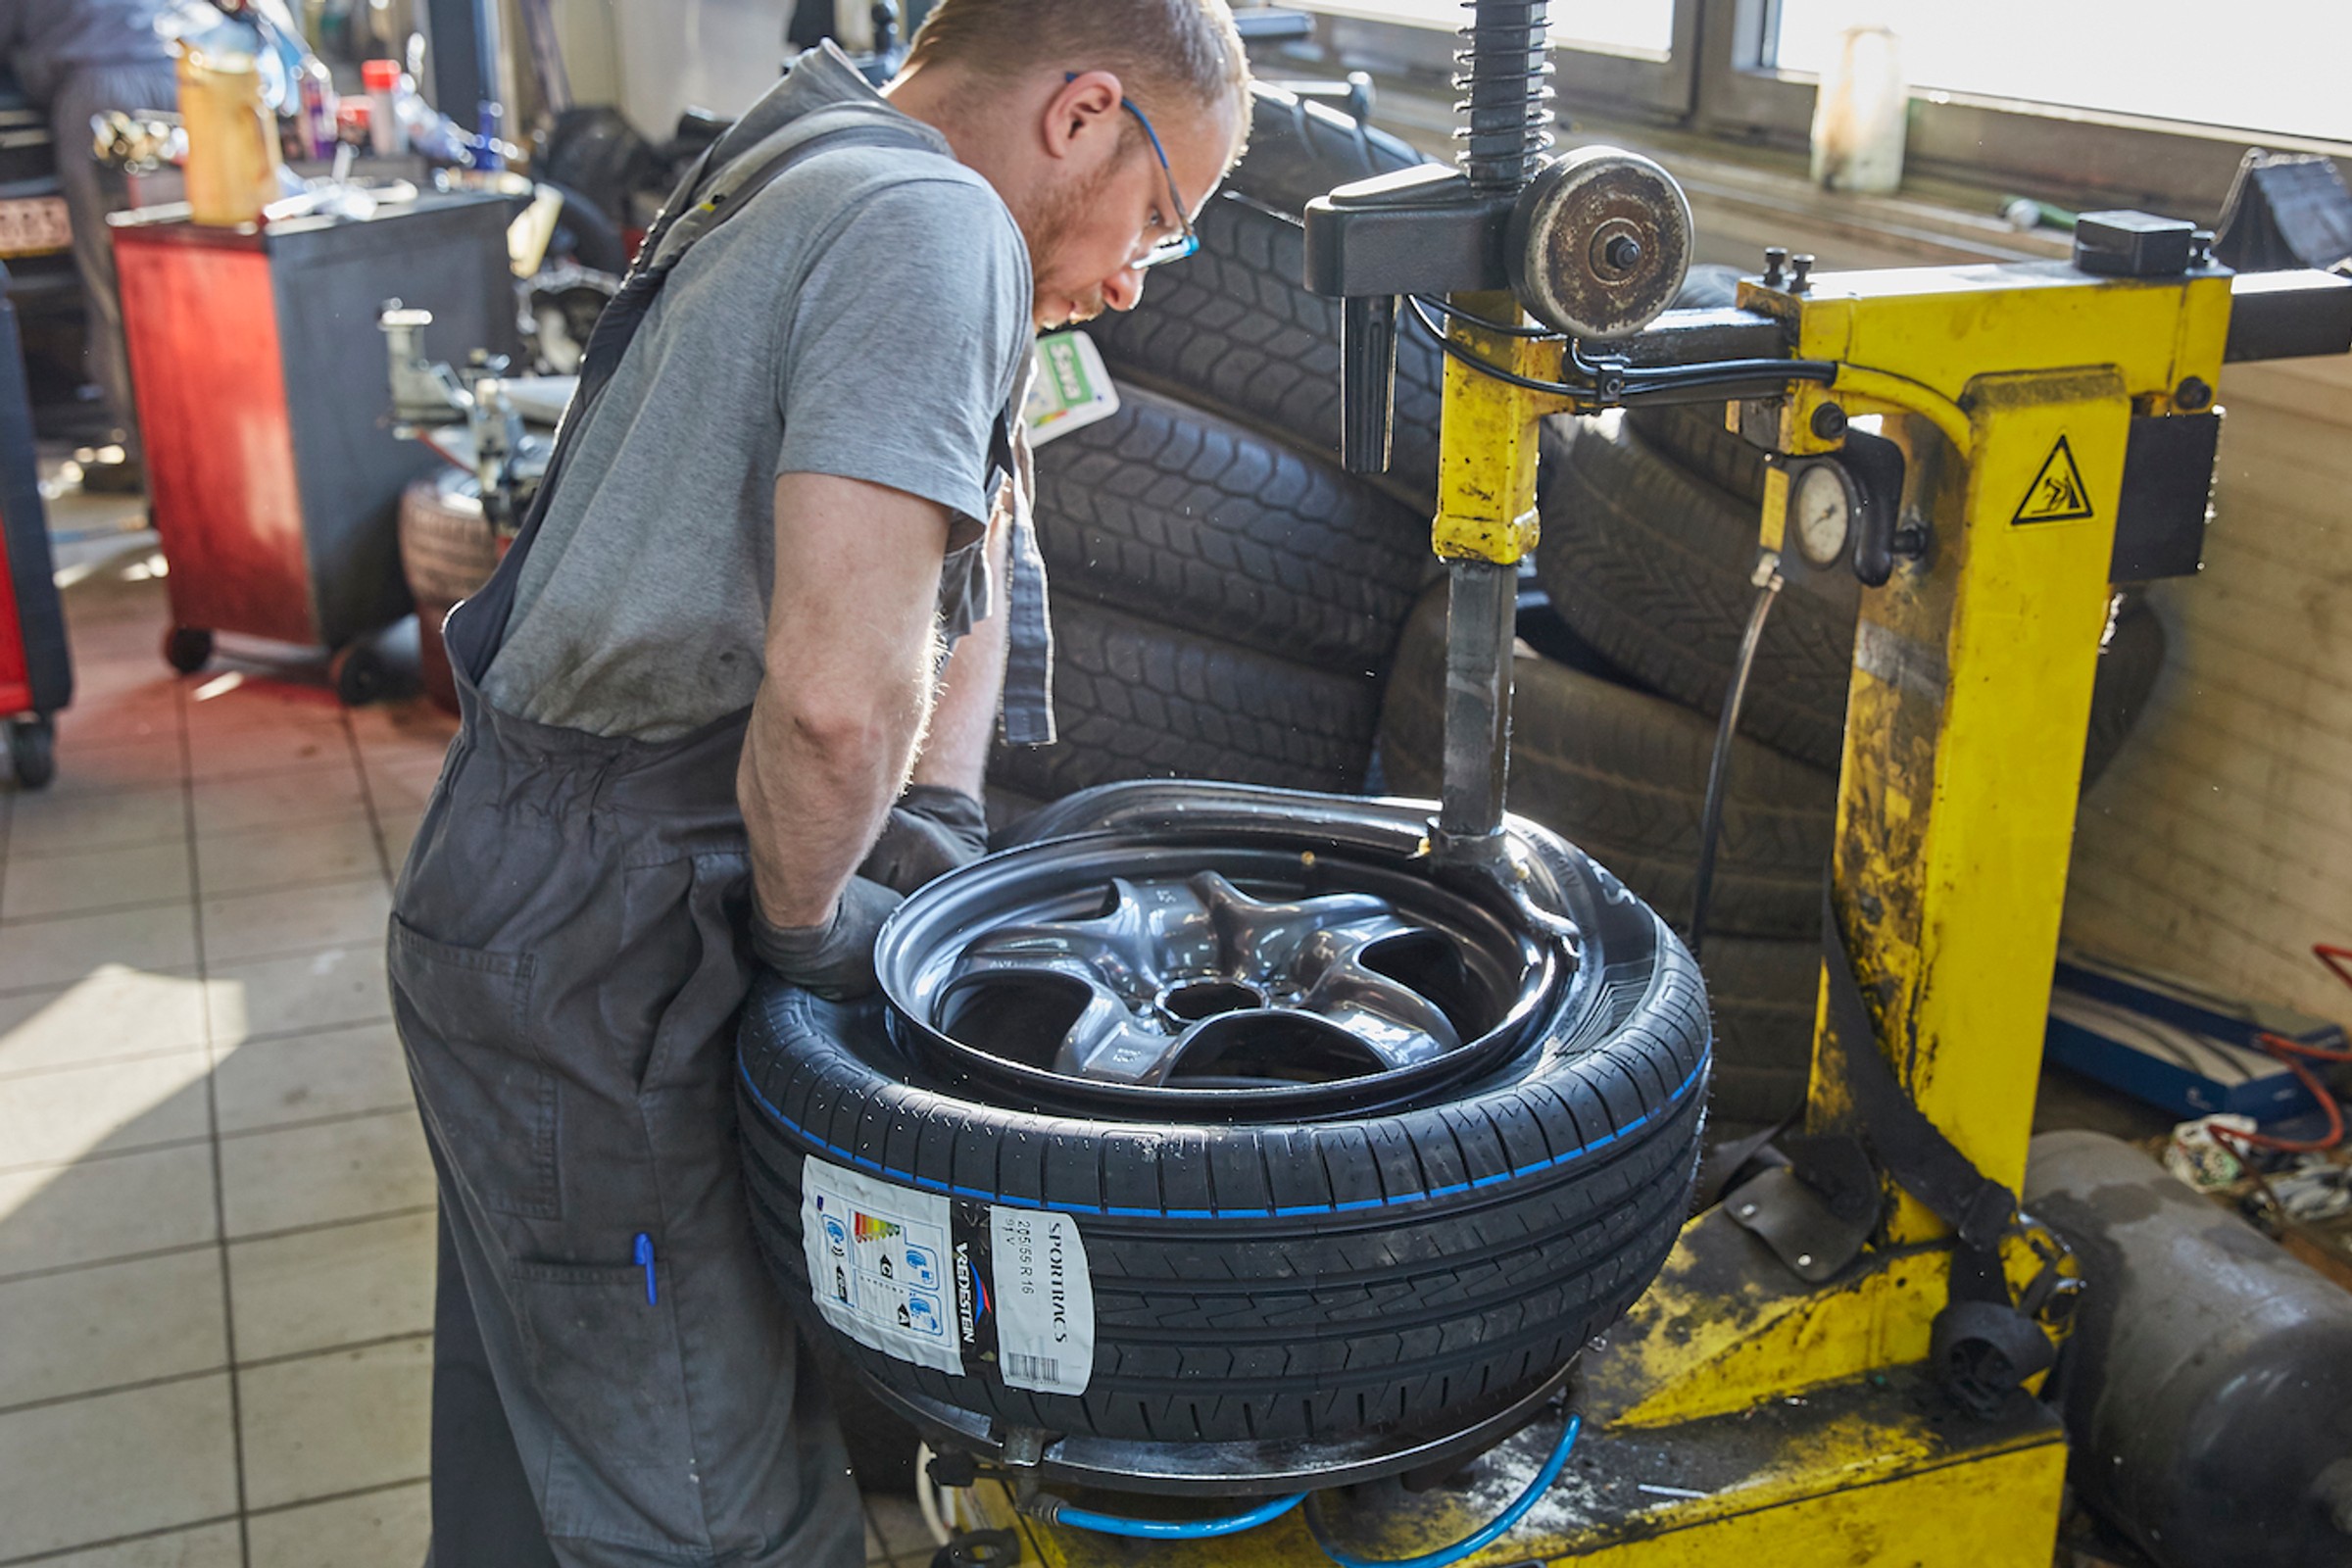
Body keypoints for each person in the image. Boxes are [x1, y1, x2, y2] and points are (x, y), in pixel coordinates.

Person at [385, 3, 1251, 1563]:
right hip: (612, 927)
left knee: (556, 1417)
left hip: (540, 886)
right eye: (1163, 216)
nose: (1133, 276)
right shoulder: (935, 231)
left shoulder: (813, 144)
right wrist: (809, 927)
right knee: (705, 1501)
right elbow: (841, 708)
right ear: (1082, 114)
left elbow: (980, 532)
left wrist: (932, 829)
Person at [0, 0, 211, 478]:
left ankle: (151, 464)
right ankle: (201, 449)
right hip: (178, 80)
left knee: (117, 289)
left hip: (104, 95)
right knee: (189, 277)